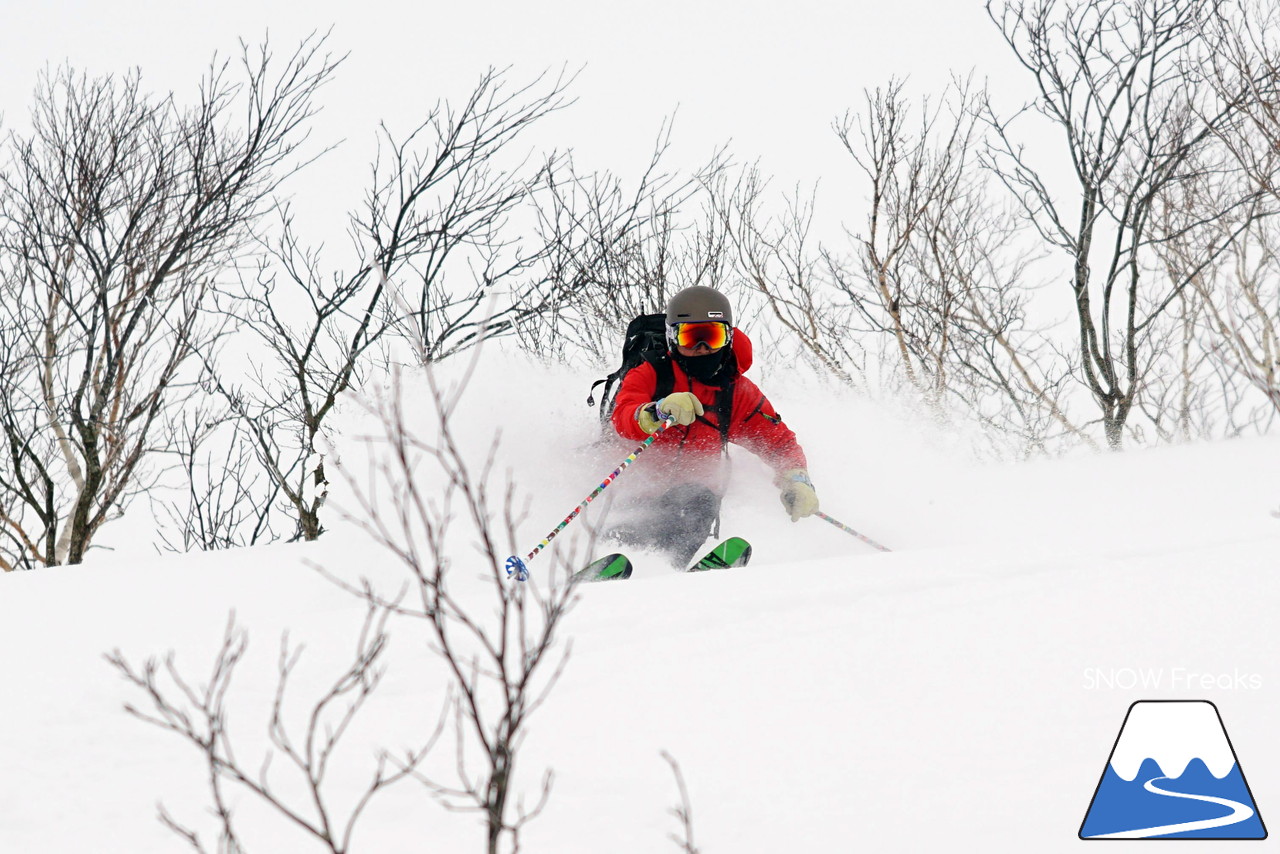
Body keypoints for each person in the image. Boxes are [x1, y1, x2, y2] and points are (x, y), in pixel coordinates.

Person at [605, 285, 819, 567]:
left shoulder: (734, 392)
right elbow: (623, 416)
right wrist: (656, 411)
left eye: (712, 337)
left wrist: (796, 479)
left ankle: (669, 570)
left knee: (699, 499)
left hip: (690, 495)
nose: (701, 348)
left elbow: (778, 442)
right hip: (632, 485)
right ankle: (610, 561)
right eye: (690, 337)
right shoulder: (651, 373)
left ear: (728, 338)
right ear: (672, 338)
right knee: (632, 520)